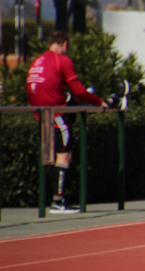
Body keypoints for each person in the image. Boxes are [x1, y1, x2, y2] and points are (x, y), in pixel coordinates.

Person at [26, 31, 129, 214]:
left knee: (51, 156)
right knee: (64, 154)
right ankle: (57, 201)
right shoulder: (62, 60)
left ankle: (113, 100)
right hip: (55, 112)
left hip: (41, 114)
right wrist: (98, 102)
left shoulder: (37, 61)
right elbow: (79, 90)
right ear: (65, 45)